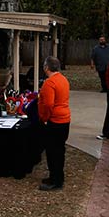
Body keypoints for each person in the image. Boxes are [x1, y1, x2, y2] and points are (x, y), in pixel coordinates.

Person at [38, 56, 71, 191]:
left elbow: (48, 104)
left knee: (53, 152)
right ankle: (57, 176)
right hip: (65, 119)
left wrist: (44, 117)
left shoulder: (49, 83)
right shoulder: (63, 79)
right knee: (59, 150)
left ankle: (56, 181)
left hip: (55, 120)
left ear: (46, 67)